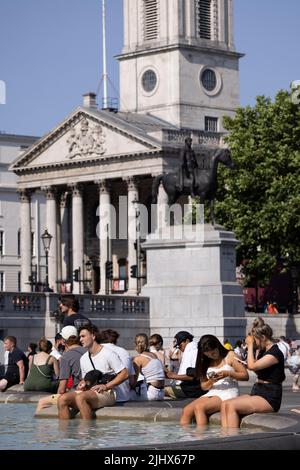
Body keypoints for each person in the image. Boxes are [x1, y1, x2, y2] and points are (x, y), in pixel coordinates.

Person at [221, 317, 286, 428]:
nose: (254, 343)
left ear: (263, 337)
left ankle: (231, 440)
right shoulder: (263, 351)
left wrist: (250, 345)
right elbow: (255, 368)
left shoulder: (275, 352)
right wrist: (253, 351)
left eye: (255, 340)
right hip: (258, 390)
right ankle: (223, 436)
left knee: (231, 406)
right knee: (224, 404)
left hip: (270, 396)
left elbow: (252, 366)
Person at [57, 324, 128, 419]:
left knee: (81, 397)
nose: (80, 340)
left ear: (93, 336)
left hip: (108, 392)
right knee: (62, 399)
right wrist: (82, 384)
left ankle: (87, 432)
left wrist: (106, 386)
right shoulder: (83, 358)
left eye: (83, 336)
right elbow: (85, 379)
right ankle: (64, 432)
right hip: (90, 392)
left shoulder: (108, 353)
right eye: (80, 337)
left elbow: (124, 373)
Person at [180, 335, 249, 426]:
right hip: (213, 392)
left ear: (217, 346)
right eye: (207, 355)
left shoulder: (230, 356)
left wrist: (228, 374)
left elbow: (245, 376)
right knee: (187, 410)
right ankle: (185, 437)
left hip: (228, 392)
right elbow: (204, 386)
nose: (211, 356)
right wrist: (211, 381)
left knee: (200, 407)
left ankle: (202, 437)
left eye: (213, 353)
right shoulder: (205, 361)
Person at [165, 331, 204, 399]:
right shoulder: (192, 349)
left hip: (191, 389)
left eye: (180, 345)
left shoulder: (193, 350)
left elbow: (193, 375)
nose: (179, 348)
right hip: (190, 388)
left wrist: (171, 375)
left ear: (187, 341)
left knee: (160, 392)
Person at [99, 329, 135, 403]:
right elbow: (132, 381)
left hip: (104, 396)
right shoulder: (124, 352)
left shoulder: (99, 352)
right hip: (124, 396)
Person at [130, 333, 165, 401]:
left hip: (151, 394)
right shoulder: (154, 355)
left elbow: (133, 383)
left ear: (136, 344)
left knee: (128, 393)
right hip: (161, 393)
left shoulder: (138, 359)